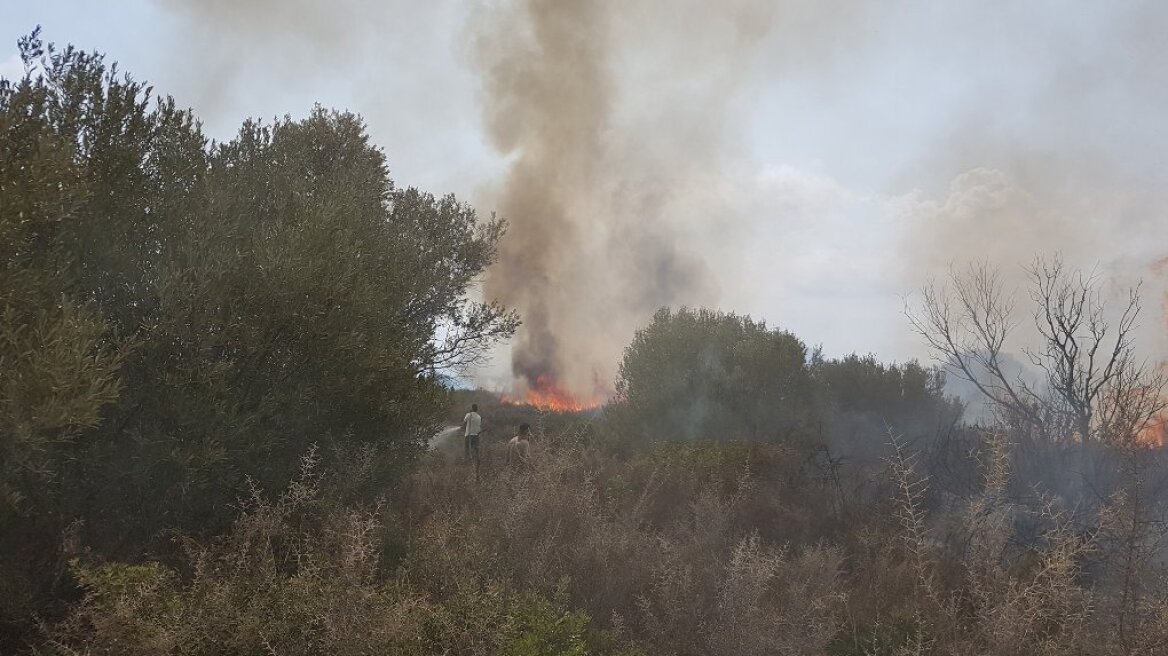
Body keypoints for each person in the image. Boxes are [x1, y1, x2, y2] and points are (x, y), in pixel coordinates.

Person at [463, 403, 483, 468]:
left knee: (467, 449)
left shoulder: (468, 415)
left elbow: (464, 421)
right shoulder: (479, 417)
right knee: (476, 449)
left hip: (468, 435)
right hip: (476, 435)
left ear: (472, 408)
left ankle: (467, 463)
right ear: (477, 409)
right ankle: (477, 462)